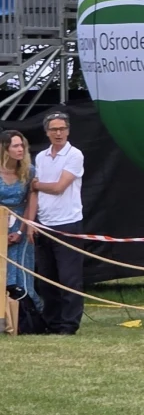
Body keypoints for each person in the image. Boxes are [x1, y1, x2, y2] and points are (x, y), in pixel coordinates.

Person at [32, 110, 85, 335]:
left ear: (68, 130)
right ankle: (51, 322)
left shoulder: (75, 155)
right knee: (46, 279)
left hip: (68, 224)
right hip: (44, 223)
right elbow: (42, 191)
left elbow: (58, 187)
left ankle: (69, 324)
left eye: (62, 129)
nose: (59, 133)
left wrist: (36, 185)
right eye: (54, 129)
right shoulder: (41, 157)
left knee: (69, 278)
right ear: (47, 132)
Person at [0, 130, 39, 309]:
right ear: (5, 149)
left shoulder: (28, 171)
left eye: (22, 145)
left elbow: (31, 200)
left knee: (21, 270)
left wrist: (21, 230)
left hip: (20, 223)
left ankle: (25, 314)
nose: (20, 149)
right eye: (15, 145)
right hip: (1, 222)